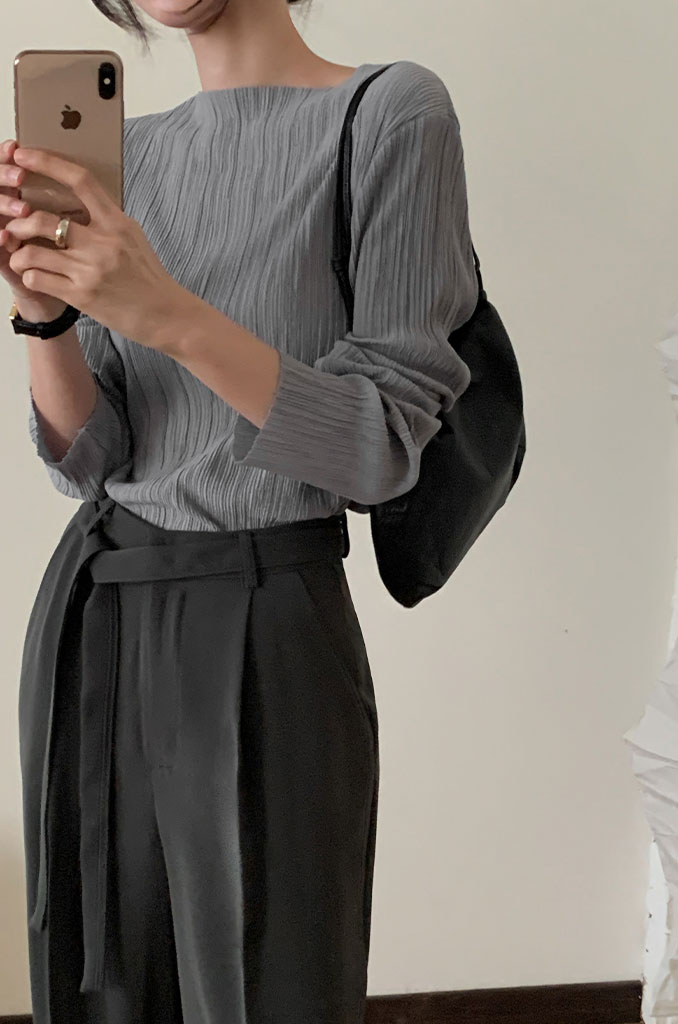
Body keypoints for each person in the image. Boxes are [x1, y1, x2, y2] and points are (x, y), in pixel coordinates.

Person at [2, 0, 479, 1021]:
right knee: (103, 984)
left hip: (270, 622)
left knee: (272, 988)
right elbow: (93, 457)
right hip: (99, 619)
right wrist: (43, 317)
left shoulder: (388, 113)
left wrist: (166, 313)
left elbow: (377, 448)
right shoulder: (127, 157)